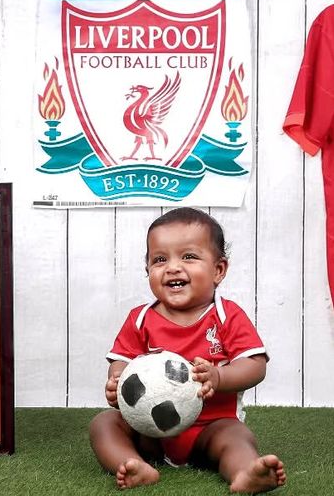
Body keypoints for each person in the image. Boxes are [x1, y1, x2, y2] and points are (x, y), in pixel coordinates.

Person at [89, 207, 286, 493]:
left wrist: (218, 377)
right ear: (148, 271)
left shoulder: (226, 316)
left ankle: (245, 473)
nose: (172, 267)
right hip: (151, 431)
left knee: (237, 437)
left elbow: (255, 364)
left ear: (219, 270)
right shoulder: (140, 318)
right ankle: (133, 464)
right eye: (159, 259)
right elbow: (121, 362)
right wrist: (116, 383)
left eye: (189, 257)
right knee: (103, 423)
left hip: (211, 428)